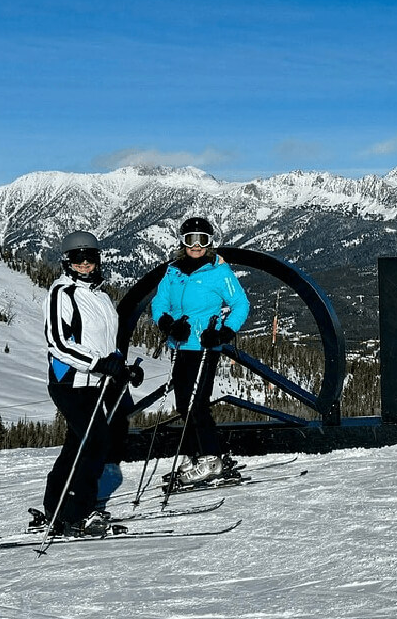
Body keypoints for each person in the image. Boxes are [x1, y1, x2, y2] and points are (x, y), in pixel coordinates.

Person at [38, 231, 143, 536]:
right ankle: (77, 514)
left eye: (90, 258)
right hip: (70, 382)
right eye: (77, 259)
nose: (84, 264)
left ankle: (55, 508)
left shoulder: (101, 296)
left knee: (77, 445)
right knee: (96, 441)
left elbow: (108, 344)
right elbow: (57, 342)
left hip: (96, 384)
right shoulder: (62, 293)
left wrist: (121, 369)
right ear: (67, 262)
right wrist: (97, 364)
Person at [151, 217, 249, 486]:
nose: (196, 246)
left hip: (205, 346)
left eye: (202, 240)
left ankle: (211, 458)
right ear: (183, 242)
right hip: (181, 345)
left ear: (210, 242)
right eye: (191, 240)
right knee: (184, 403)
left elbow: (240, 304)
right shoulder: (173, 272)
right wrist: (168, 324)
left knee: (197, 402)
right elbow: (159, 303)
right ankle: (196, 454)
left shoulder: (219, 272)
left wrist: (224, 332)